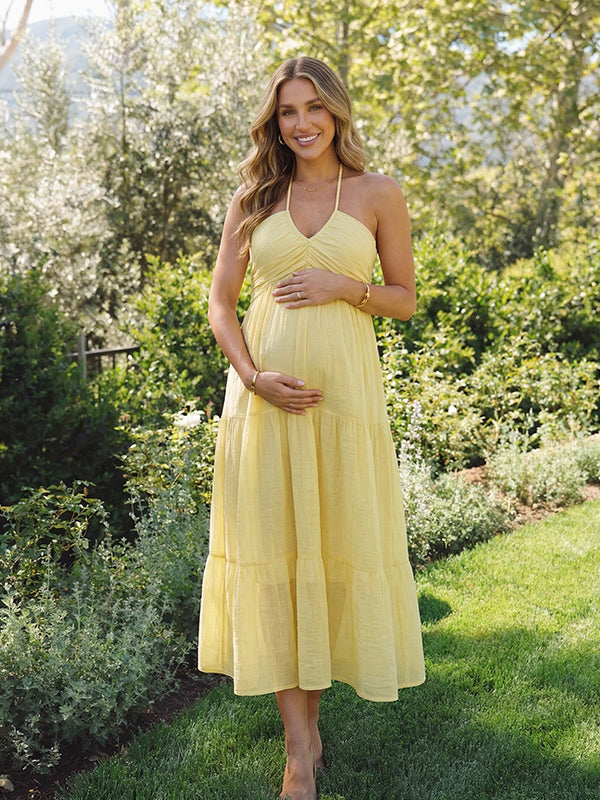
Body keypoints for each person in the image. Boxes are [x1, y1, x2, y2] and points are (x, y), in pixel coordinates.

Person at [198, 56, 425, 800]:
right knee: (275, 556)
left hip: (344, 407)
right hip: (263, 405)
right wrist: (253, 376)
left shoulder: (378, 193)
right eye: (287, 111)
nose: (300, 124)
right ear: (275, 120)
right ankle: (300, 753)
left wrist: (346, 287)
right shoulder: (253, 198)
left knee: (325, 555)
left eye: (313, 109)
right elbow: (222, 305)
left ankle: (312, 732)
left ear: (337, 112)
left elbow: (403, 300)